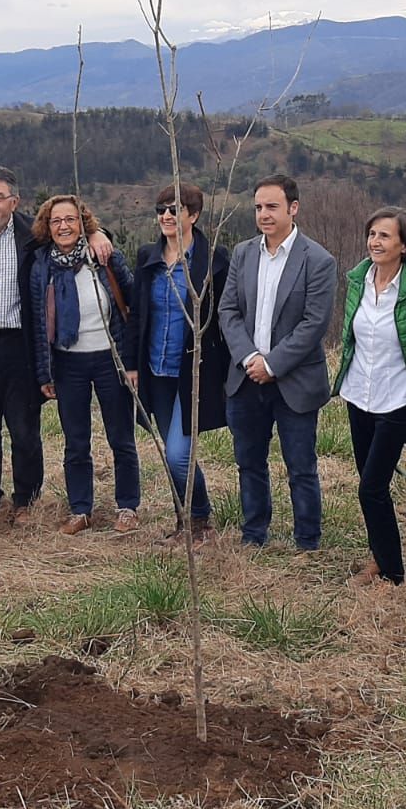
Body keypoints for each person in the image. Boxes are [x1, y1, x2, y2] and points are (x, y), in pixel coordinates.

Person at [0, 165, 111, 526]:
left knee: (23, 426)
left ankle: (25, 501)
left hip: (19, 344)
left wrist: (97, 234)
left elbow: (71, 231)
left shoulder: (32, 236)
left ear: (14, 202)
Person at [217, 174, 337, 551]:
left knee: (301, 467)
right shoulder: (243, 253)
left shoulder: (318, 260)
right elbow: (228, 310)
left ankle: (307, 541)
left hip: (295, 383)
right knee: (249, 463)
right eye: (258, 208)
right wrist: (251, 358)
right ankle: (254, 535)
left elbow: (314, 324)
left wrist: (272, 365)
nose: (264, 215)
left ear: (293, 208)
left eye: (272, 207)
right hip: (246, 380)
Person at [28, 194, 141, 535]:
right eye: (56, 221)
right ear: (47, 227)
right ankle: (80, 509)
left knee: (121, 437)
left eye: (70, 219)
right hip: (67, 363)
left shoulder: (103, 256)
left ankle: (127, 507)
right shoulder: (41, 266)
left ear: (83, 224)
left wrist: (132, 362)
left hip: (110, 358)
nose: (63, 226)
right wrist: (44, 371)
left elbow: (132, 302)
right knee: (76, 441)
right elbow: (37, 323)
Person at [332, 206, 406, 585]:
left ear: (404, 245)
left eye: (384, 235)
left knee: (371, 486)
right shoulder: (358, 280)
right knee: (369, 483)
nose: (375, 241)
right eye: (372, 234)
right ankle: (379, 555)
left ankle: (392, 570)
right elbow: (349, 337)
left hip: (398, 399)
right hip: (359, 395)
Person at [134, 182, 230, 544]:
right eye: (161, 210)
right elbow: (136, 316)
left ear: (194, 214)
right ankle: (183, 522)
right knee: (170, 453)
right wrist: (131, 365)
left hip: (192, 374)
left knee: (177, 455)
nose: (167, 216)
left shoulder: (214, 261)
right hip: (154, 371)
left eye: (175, 209)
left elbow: (224, 317)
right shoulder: (148, 258)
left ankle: (201, 518)